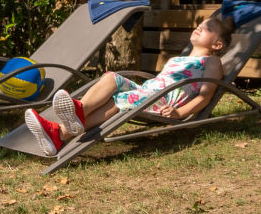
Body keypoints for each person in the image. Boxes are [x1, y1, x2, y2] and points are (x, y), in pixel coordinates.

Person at [23, 11, 235, 152]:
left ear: (217, 44)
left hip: (163, 102)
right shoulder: (181, 58)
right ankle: (68, 121)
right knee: (112, 79)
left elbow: (205, 96)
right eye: (199, 24)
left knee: (118, 100)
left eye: (207, 28)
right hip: (149, 91)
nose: (198, 27)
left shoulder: (212, 62)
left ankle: (60, 130)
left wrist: (181, 113)